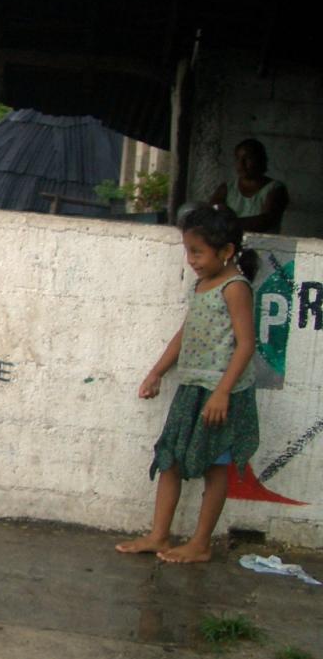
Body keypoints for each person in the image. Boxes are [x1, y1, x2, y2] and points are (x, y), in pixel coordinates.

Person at [116, 203, 259, 563]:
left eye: (197, 252)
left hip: (220, 394)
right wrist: (157, 372)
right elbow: (185, 334)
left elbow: (246, 344)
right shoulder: (201, 286)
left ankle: (200, 543)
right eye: (188, 251)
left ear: (226, 251)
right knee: (170, 460)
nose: (191, 259)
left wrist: (222, 393)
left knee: (215, 466)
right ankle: (159, 535)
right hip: (192, 387)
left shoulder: (235, 288)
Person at [208, 138, 289, 234]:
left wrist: (229, 224)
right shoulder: (226, 188)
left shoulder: (275, 189)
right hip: (231, 242)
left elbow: (266, 221)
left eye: (248, 158)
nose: (241, 164)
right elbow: (212, 215)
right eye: (237, 158)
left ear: (260, 160)